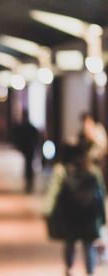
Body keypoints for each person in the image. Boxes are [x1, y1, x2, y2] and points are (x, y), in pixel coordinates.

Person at [44, 144, 106, 276]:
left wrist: (47, 210)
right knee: (88, 244)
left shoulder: (62, 170)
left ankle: (69, 268)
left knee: (70, 241)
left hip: (70, 213)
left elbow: (53, 191)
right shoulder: (93, 170)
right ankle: (90, 271)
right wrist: (102, 217)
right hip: (89, 214)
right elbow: (101, 193)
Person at [11, 112, 39, 193]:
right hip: (29, 148)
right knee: (28, 164)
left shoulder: (25, 127)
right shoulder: (30, 127)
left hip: (27, 148)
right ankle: (29, 180)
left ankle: (28, 180)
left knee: (28, 165)